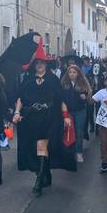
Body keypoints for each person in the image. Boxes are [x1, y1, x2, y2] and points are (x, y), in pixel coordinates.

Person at [12, 40, 76, 196]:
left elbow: (60, 99)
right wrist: (16, 112)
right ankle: (46, 173)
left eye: (42, 63)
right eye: (37, 63)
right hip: (31, 118)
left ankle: (39, 181)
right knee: (34, 149)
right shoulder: (28, 79)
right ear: (34, 64)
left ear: (46, 64)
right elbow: (20, 97)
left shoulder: (53, 80)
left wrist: (66, 116)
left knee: (42, 146)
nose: (39, 65)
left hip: (49, 118)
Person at [60, 65, 92, 162]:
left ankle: (79, 152)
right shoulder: (64, 84)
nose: (72, 74)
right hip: (68, 111)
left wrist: (85, 97)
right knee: (68, 132)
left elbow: (88, 94)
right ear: (67, 73)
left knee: (79, 132)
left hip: (80, 111)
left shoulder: (83, 83)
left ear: (78, 73)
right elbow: (61, 99)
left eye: (74, 72)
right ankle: (69, 152)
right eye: (70, 72)